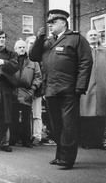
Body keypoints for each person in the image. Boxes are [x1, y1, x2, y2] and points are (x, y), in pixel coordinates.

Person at [29, 9, 92, 169]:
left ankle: (67, 159)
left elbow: (86, 62)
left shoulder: (76, 39)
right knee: (56, 125)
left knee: (69, 124)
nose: (49, 25)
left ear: (63, 22)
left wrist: (80, 86)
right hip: (51, 89)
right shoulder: (47, 42)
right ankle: (60, 156)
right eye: (49, 22)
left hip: (69, 89)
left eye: (53, 22)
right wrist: (38, 39)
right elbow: (34, 57)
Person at [9, 39, 42, 148]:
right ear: (15, 49)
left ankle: (26, 140)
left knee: (26, 119)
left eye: (23, 47)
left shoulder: (33, 63)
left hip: (26, 93)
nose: (22, 49)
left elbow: (38, 77)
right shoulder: (11, 61)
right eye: (19, 47)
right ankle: (13, 139)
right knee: (13, 117)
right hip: (13, 92)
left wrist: (32, 89)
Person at [79, 29, 106, 150]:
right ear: (87, 38)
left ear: (99, 37)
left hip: (102, 88)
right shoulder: (82, 52)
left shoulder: (104, 52)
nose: (94, 37)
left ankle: (98, 141)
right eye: (91, 35)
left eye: (96, 35)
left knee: (101, 116)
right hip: (87, 87)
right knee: (86, 115)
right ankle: (86, 141)